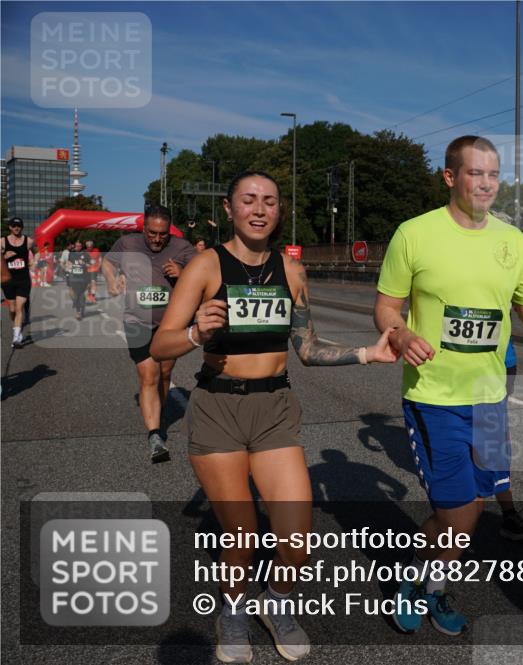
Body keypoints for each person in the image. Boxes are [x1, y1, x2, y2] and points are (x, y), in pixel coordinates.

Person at [150, 171, 396, 663]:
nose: (260, 210)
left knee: (297, 542)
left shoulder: (292, 273)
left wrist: (369, 353)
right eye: (249, 200)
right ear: (228, 209)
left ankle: (276, 601)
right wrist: (196, 335)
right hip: (218, 409)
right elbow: (161, 346)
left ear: (279, 211)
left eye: (269, 202)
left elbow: (306, 348)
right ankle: (234, 610)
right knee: (240, 537)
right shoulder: (205, 266)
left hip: (275, 410)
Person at [374, 135, 523, 636]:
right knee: (458, 516)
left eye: (493, 174)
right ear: (450, 177)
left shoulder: (514, 242)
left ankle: (430, 589)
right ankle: (413, 579)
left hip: (489, 403)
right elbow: (386, 306)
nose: (486, 184)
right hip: (433, 397)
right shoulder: (414, 234)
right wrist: (400, 331)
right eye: (475, 173)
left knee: (471, 513)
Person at [104, 206, 196, 463]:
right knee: (148, 374)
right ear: (144, 228)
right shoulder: (127, 243)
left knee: (165, 373)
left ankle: (159, 411)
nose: (157, 239)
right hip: (136, 320)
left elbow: (204, 275)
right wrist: (112, 280)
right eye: (152, 233)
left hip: (171, 322)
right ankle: (155, 436)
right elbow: (107, 262)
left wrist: (183, 273)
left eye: (162, 234)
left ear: (170, 231)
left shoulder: (183, 248)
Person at [496, 340, 523, 541]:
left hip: (503, 362)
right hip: (457, 366)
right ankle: (456, 517)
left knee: (495, 441)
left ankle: (509, 513)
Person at [2, 217, 34, 348]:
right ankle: (16, 326)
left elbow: (36, 253)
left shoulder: (29, 241)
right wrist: (4, 256)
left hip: (23, 279)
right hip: (8, 279)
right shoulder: (2, 242)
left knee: (20, 307)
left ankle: (16, 337)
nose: (16, 228)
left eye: (19, 226)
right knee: (12, 308)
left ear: (22, 227)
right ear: (10, 227)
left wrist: (33, 262)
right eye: (14, 226)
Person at [64, 240, 90, 320]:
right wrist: (68, 269)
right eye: (77, 246)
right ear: (74, 246)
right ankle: (78, 309)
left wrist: (84, 264)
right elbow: (68, 263)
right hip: (73, 276)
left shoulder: (85, 254)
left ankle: (80, 309)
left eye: (80, 246)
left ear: (81, 246)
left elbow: (89, 264)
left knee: (81, 294)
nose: (78, 247)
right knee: (75, 294)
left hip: (83, 277)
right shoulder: (71, 254)